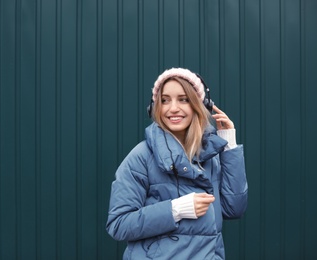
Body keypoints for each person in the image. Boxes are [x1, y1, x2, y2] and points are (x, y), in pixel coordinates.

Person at [106, 68, 248, 259]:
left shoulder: (210, 156)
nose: (173, 108)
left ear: (200, 105)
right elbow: (119, 224)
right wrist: (176, 210)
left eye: (183, 99)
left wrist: (228, 144)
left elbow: (234, 208)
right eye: (164, 100)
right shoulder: (141, 157)